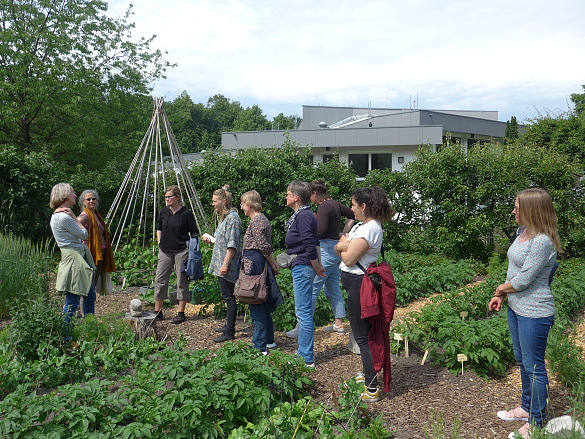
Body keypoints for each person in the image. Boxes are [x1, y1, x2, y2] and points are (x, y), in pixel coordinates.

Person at [489, 188, 561, 439]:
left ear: (532, 210)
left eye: (517, 207)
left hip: (535, 312)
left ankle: (537, 422)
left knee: (534, 367)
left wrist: (500, 288)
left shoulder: (542, 241)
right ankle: (526, 408)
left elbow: (524, 280)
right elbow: (514, 272)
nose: (513, 211)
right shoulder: (523, 233)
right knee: (523, 361)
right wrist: (503, 295)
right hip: (517, 308)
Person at [335, 187, 394, 402]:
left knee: (363, 336)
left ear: (363, 206)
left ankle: (371, 387)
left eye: (353, 204)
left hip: (360, 284)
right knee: (362, 334)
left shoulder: (370, 229)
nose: (351, 208)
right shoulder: (363, 225)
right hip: (355, 283)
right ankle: (368, 374)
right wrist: (342, 246)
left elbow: (349, 259)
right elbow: (341, 248)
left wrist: (341, 246)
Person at [286, 179, 355, 337]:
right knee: (333, 287)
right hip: (335, 250)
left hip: (325, 249)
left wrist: (313, 224)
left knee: (312, 289)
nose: (310, 198)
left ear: (315, 193)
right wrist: (344, 232)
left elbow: (321, 232)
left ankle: (301, 326)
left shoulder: (324, 206)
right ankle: (338, 323)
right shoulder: (335, 204)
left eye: (311, 195)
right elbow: (353, 214)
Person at [284, 181, 325, 366]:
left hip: (303, 266)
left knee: (304, 313)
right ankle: (303, 353)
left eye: (287, 194)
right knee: (304, 312)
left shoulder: (304, 216)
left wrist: (316, 265)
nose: (285, 197)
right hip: (303, 265)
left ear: (296, 197)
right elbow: (314, 241)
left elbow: (310, 242)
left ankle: (307, 358)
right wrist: (318, 264)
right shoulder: (304, 215)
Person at [240, 190, 283, 354]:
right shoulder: (260, 219)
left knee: (255, 298)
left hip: (255, 264)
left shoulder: (257, 220)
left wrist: (272, 263)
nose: (241, 207)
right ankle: (269, 340)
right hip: (258, 261)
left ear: (249, 205)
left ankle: (259, 346)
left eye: (243, 204)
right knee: (263, 302)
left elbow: (263, 245)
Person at [49, 183, 96, 325]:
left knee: (89, 296)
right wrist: (75, 218)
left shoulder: (59, 215)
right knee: (73, 299)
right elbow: (84, 235)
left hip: (76, 257)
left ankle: (90, 329)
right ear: (64, 196)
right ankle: (65, 335)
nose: (75, 195)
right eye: (72, 193)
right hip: (75, 259)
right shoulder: (63, 217)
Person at [153, 185, 198, 324]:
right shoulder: (164, 212)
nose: (167, 199)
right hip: (165, 250)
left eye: (170, 197)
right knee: (160, 279)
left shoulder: (186, 214)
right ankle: (158, 311)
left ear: (177, 197)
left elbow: (194, 232)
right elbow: (158, 228)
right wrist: (159, 241)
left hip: (181, 250)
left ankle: (181, 312)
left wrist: (192, 248)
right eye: (166, 197)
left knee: (181, 281)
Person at [203, 186, 242, 342]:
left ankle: (230, 332)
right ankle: (228, 326)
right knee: (227, 296)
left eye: (214, 201)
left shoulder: (233, 219)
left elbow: (232, 245)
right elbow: (224, 241)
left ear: (223, 201)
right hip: (222, 263)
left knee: (230, 298)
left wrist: (225, 264)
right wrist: (213, 240)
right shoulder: (225, 217)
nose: (212, 204)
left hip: (227, 265)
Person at [77, 190, 115, 295]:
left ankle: (88, 308)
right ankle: (85, 308)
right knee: (88, 283)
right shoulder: (85, 216)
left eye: (94, 199)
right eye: (88, 199)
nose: (91, 201)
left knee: (93, 282)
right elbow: (76, 226)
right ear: (83, 202)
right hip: (90, 254)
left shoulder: (96, 215)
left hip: (100, 252)